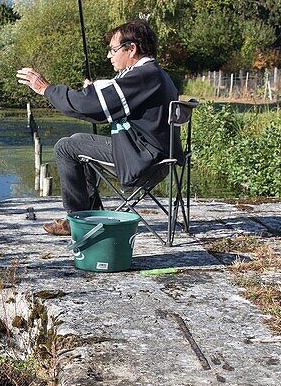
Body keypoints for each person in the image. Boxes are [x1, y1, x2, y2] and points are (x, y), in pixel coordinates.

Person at [17, 19, 180, 235]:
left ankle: (78, 221)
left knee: (65, 147)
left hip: (142, 160)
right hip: (157, 157)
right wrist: (96, 93)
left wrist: (46, 89)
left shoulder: (143, 76)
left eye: (113, 50)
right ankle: (88, 215)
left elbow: (88, 106)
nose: (109, 56)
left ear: (131, 49)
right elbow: (109, 100)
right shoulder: (157, 74)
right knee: (77, 142)